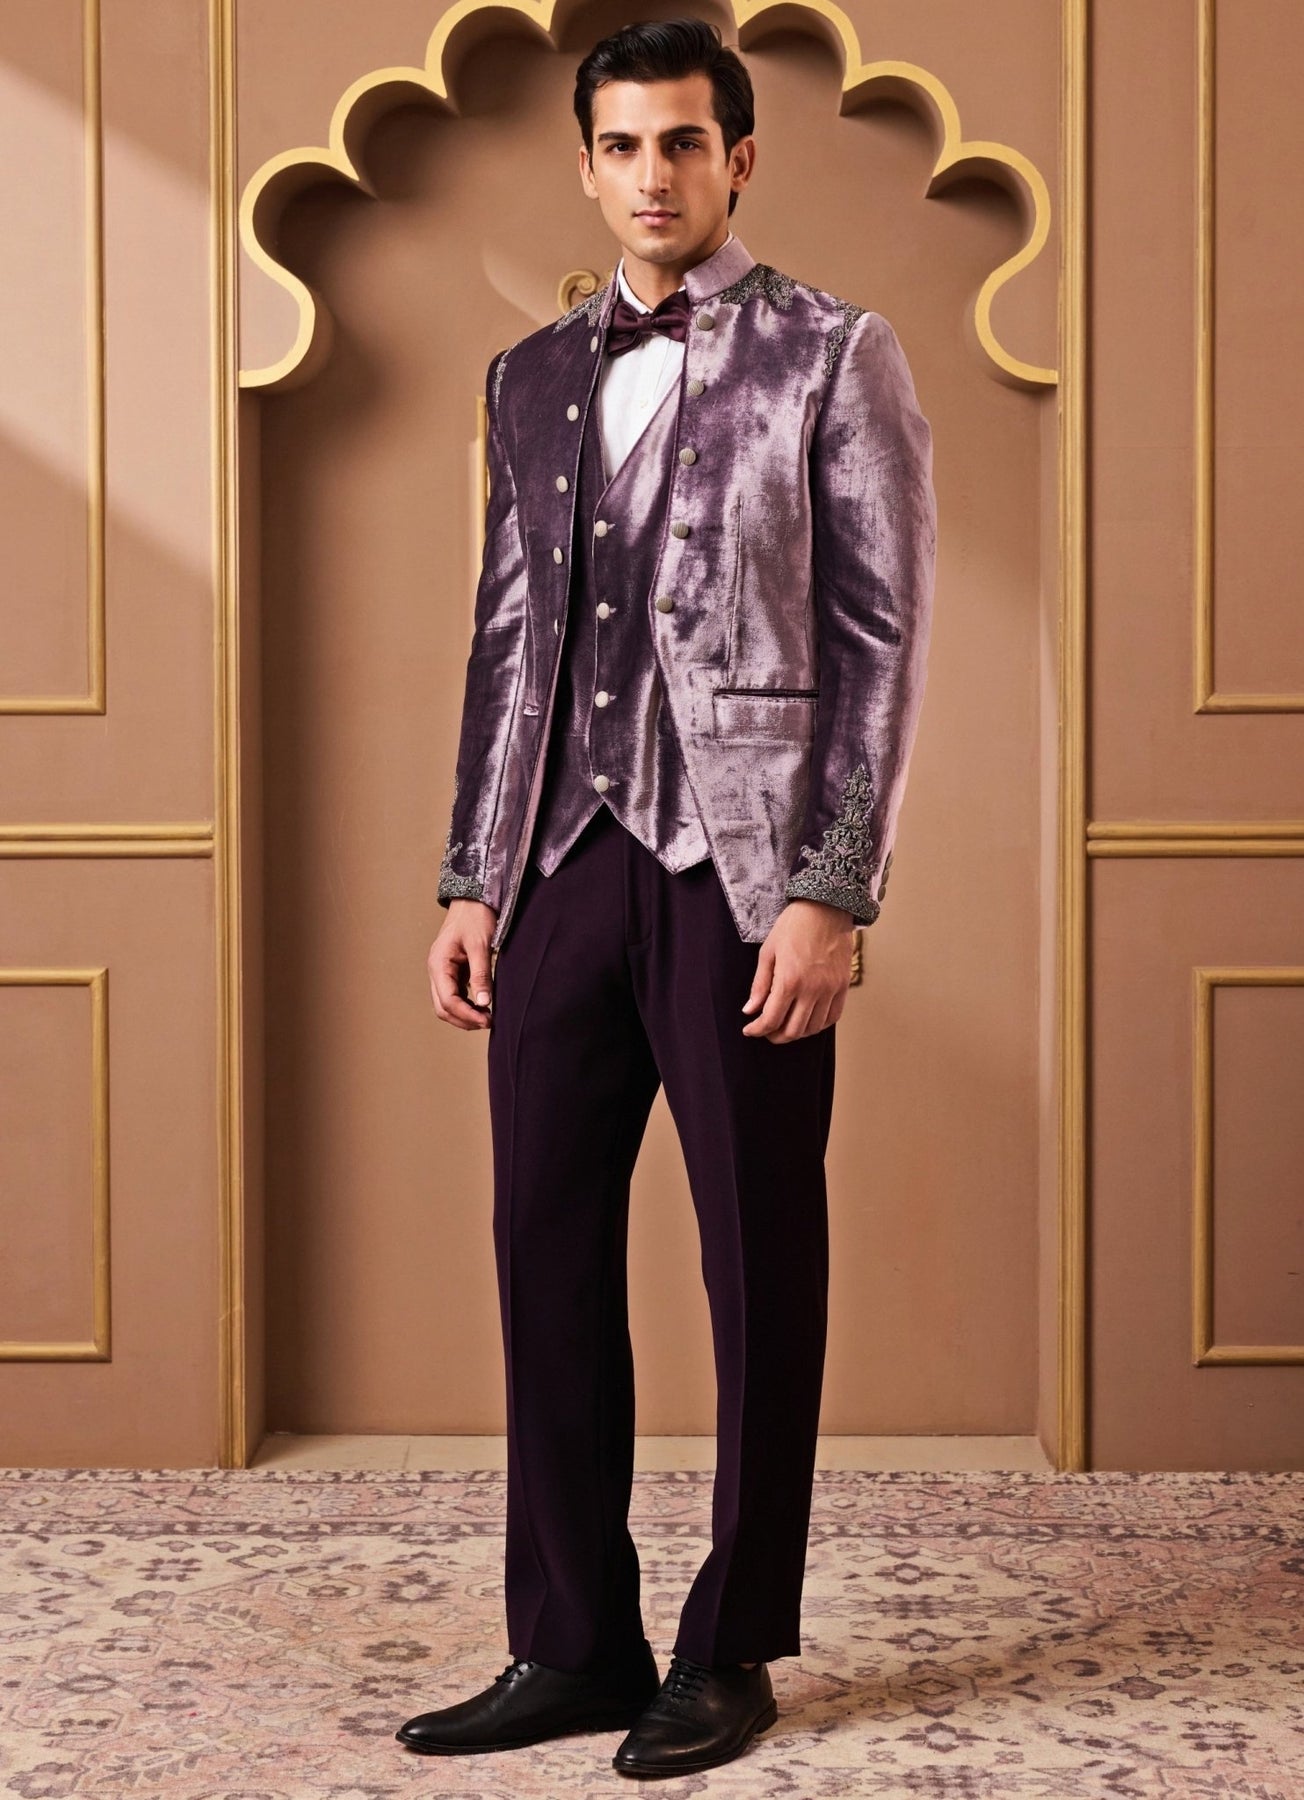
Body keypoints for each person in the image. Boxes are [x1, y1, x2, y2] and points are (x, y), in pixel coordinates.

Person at [398, 16, 936, 1778]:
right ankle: (570, 1641)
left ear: (738, 160)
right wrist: (473, 875)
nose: (654, 175)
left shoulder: (834, 354)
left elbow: (879, 646)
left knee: (756, 1259)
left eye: (685, 143)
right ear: (587, 166)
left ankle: (732, 1645)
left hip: (744, 875)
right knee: (542, 1246)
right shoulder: (528, 375)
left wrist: (832, 890)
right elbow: (507, 645)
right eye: (623, 146)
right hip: (560, 864)